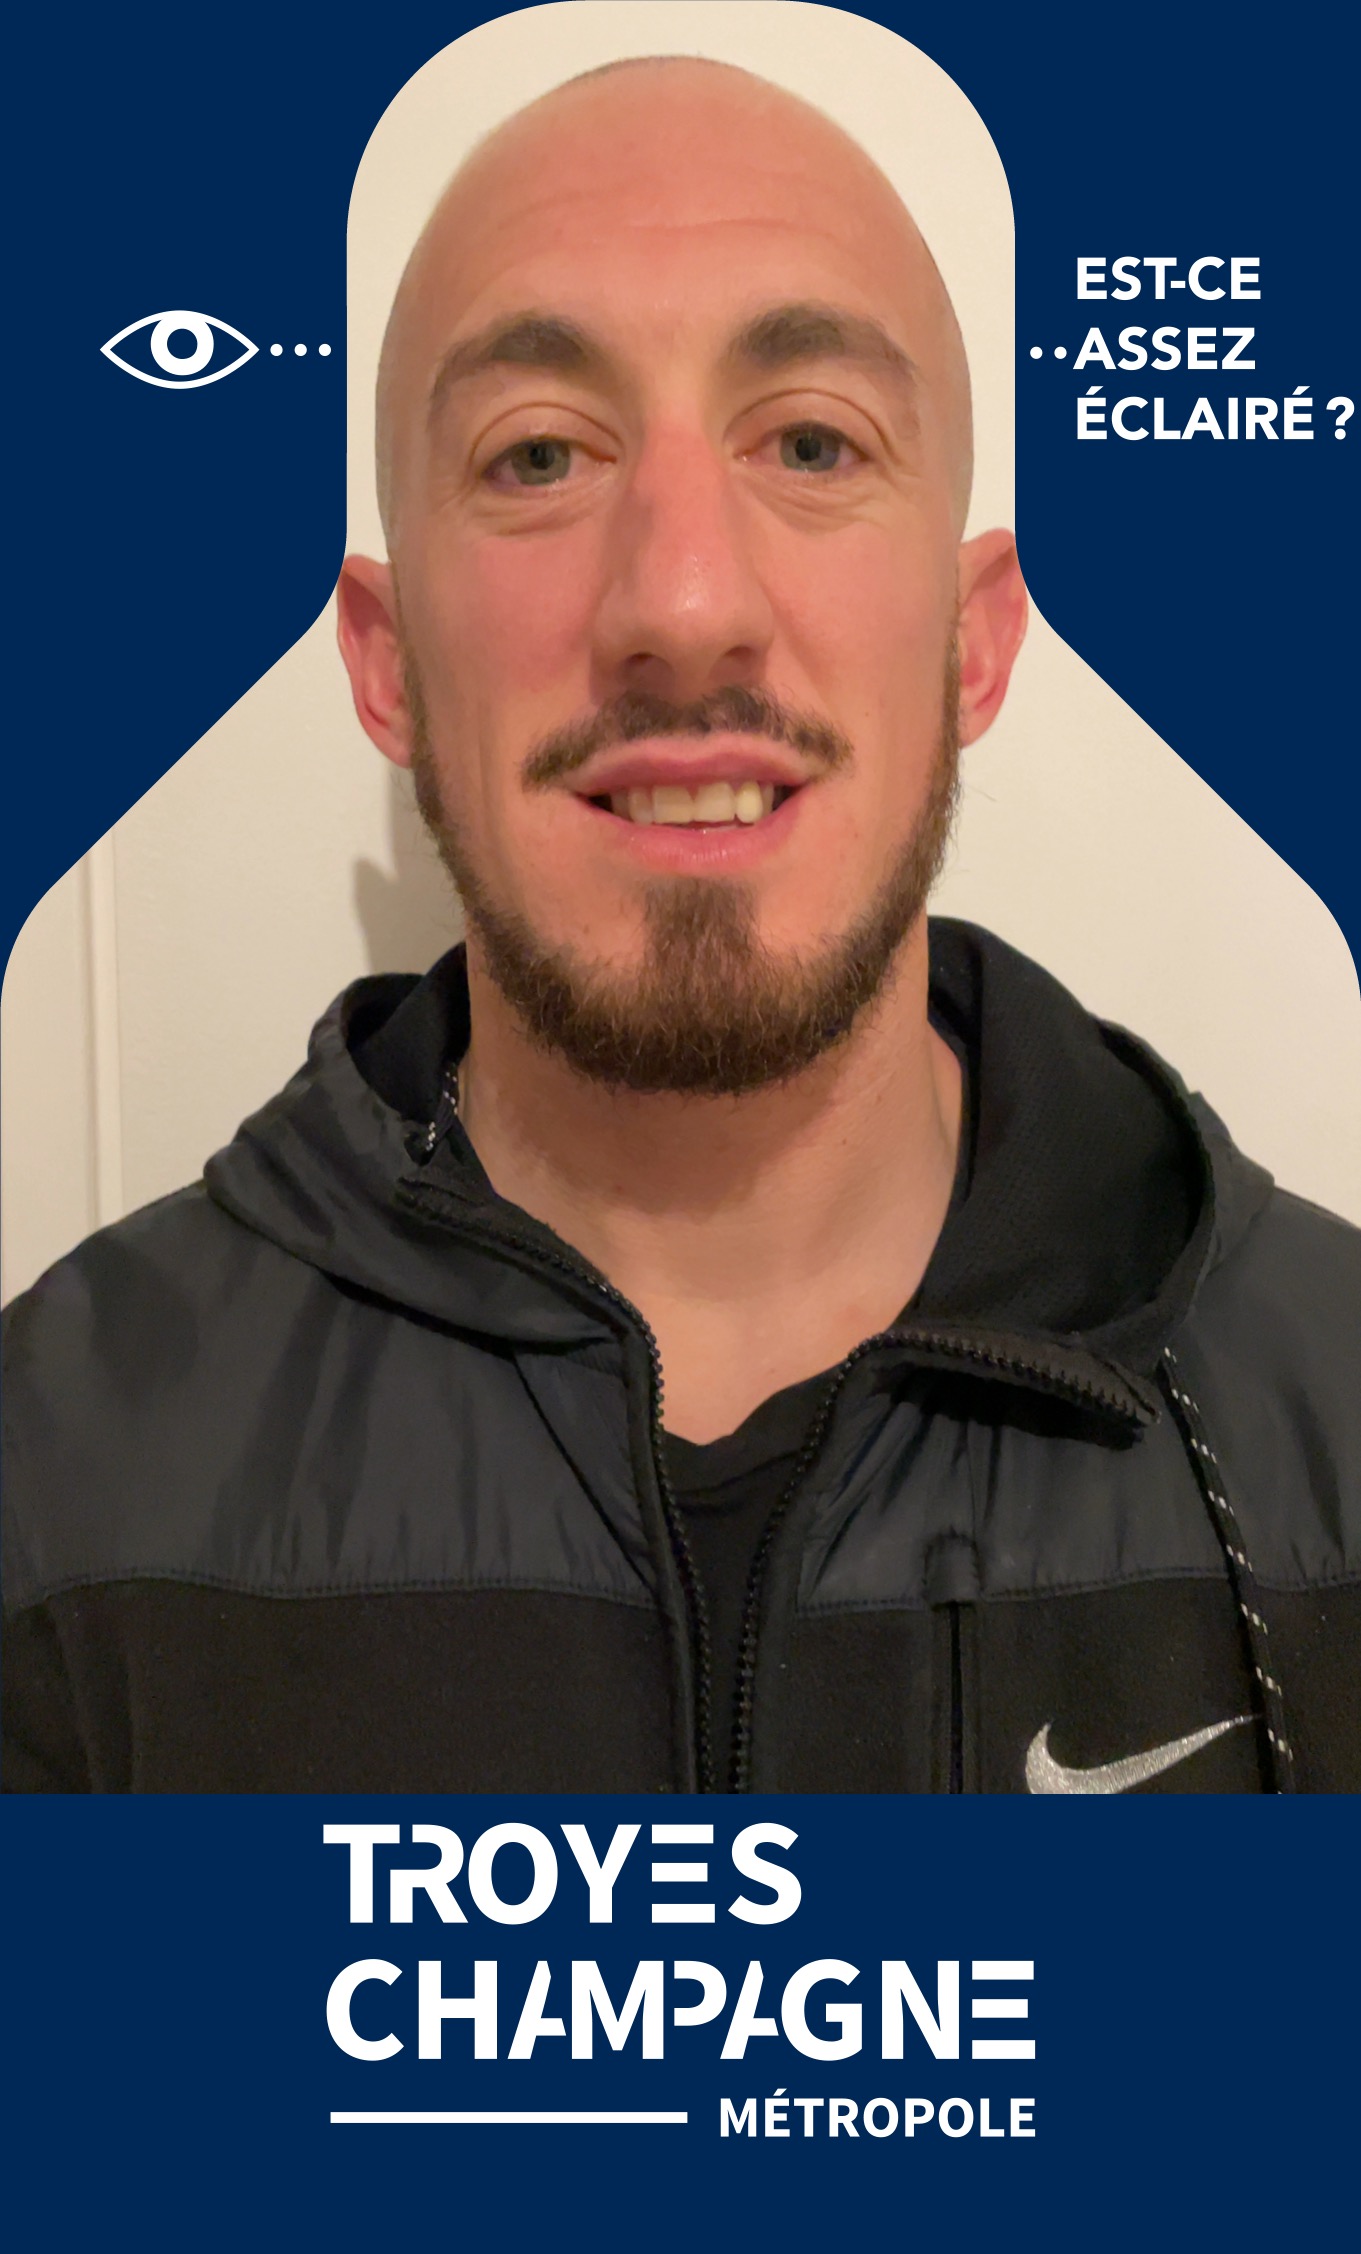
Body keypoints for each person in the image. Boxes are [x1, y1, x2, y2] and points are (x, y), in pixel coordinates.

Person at [4, 59, 1357, 1794]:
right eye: (538, 455)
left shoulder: (1333, 1430)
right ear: (389, 662)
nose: (684, 599)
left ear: (971, 641)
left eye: (811, 442)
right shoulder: (55, 1488)